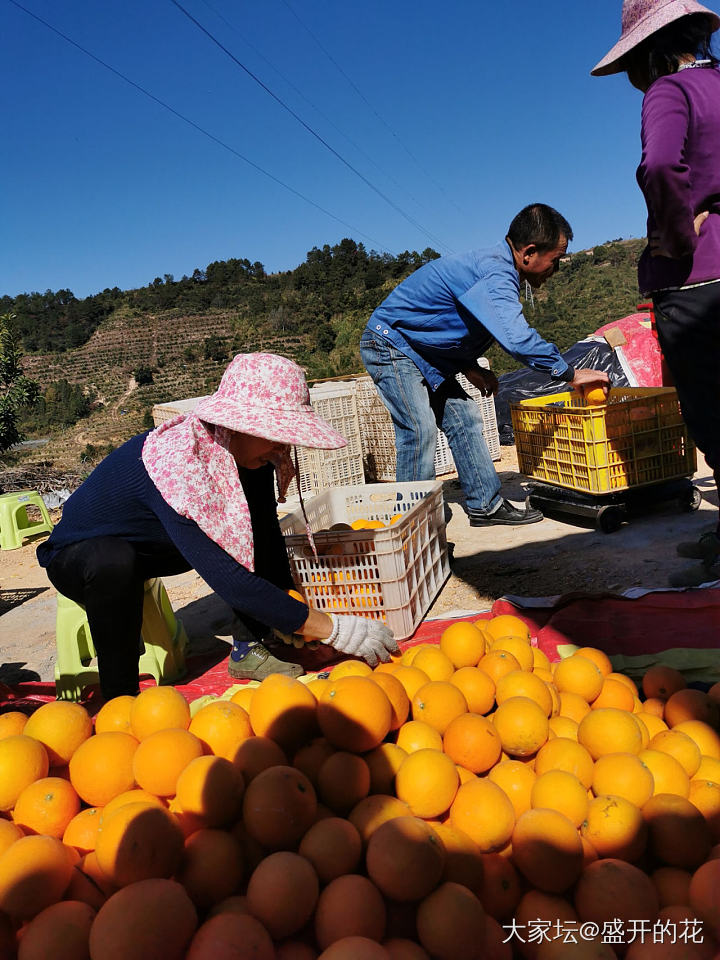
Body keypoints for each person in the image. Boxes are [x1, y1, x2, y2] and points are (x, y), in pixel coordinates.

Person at [37, 353, 398, 700]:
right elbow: (230, 579)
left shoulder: (246, 456)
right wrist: (335, 629)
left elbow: (264, 538)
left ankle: (249, 647)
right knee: (111, 560)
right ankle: (121, 696)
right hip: (83, 560)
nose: (281, 445)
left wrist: (289, 606)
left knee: (242, 532)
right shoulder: (179, 466)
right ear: (237, 426)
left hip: (152, 548)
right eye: (274, 433)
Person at [360, 204, 610, 526]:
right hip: (392, 345)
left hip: (424, 352)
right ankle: (412, 526)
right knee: (419, 428)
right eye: (556, 259)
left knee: (464, 418)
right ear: (529, 253)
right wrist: (570, 373)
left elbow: (446, 324)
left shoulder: (497, 269)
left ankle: (485, 506)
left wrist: (468, 365)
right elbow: (516, 339)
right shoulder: (494, 273)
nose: (557, 268)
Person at [591, 0, 720, 586]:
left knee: (712, 412)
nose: (635, 82)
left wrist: (672, 236)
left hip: (699, 280)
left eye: (634, 69)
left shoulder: (671, 91)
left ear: (652, 53)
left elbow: (662, 165)